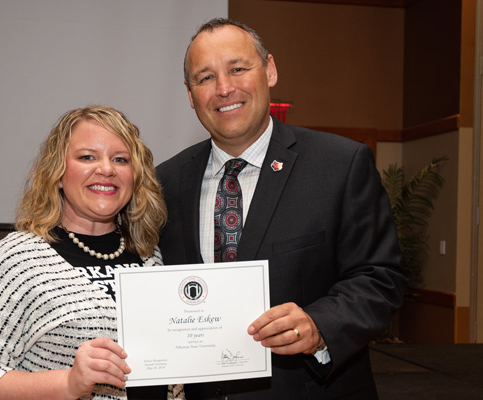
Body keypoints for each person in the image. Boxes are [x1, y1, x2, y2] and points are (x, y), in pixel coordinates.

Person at [156, 18, 407, 399]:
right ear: (190, 95)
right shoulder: (165, 182)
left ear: (269, 70)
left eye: (238, 69)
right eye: (205, 78)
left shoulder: (339, 164)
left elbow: (380, 277)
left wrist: (320, 325)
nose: (224, 88)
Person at [0, 106, 183, 400]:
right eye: (87, 157)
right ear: (58, 173)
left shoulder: (150, 256)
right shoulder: (12, 258)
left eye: (120, 159)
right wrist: (69, 383)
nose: (107, 169)